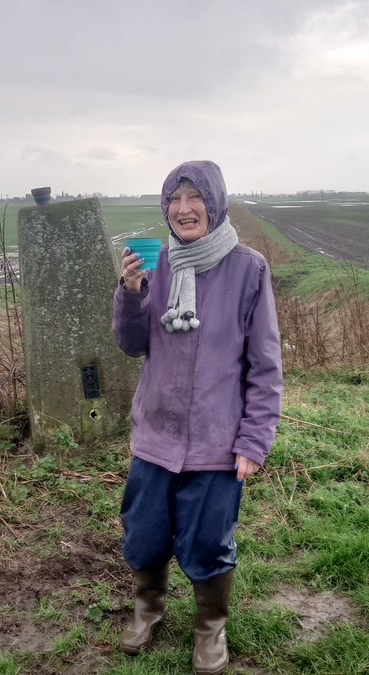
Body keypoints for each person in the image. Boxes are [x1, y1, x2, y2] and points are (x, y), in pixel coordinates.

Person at [111, 160, 282, 674]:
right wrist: (132, 295)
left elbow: (265, 364)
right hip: (156, 434)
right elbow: (130, 343)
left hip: (216, 438)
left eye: (194, 198)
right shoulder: (156, 264)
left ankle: (210, 627)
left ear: (215, 203)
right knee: (143, 531)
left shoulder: (248, 269)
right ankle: (149, 607)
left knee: (208, 541)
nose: (183, 209)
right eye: (173, 199)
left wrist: (253, 440)